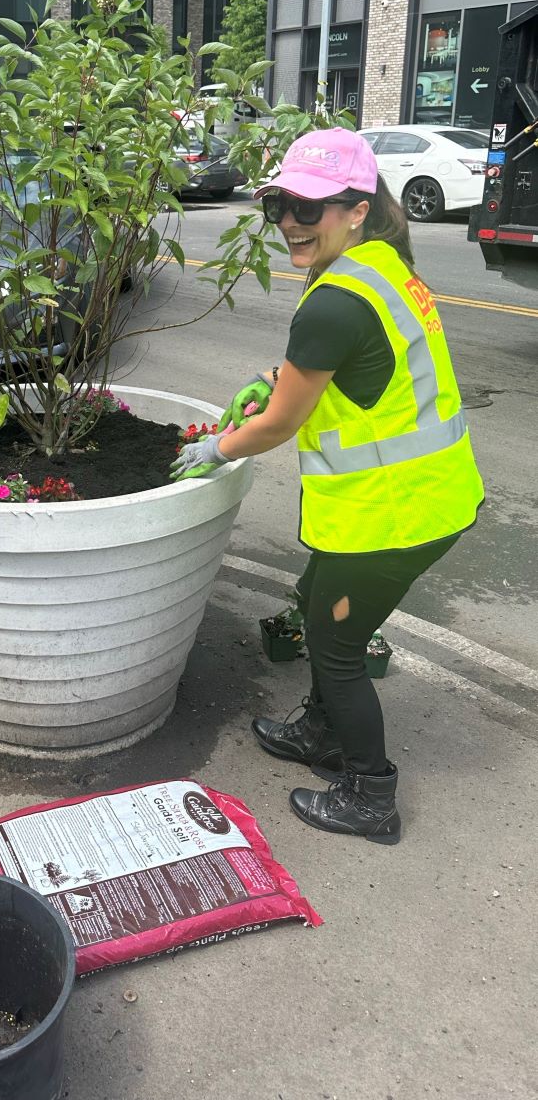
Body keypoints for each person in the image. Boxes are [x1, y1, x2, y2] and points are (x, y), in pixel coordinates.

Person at [172, 127, 483, 845]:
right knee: (318, 603)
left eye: (307, 209)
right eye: (279, 204)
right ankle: (321, 731)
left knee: (338, 649)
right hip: (426, 495)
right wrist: (277, 375)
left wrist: (218, 448)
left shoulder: (336, 298)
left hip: (397, 514)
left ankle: (370, 793)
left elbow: (278, 427)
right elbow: (356, 371)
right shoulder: (381, 267)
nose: (288, 222)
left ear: (356, 207)